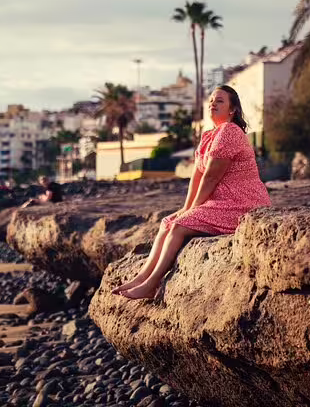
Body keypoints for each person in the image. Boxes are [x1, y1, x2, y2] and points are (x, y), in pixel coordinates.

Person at [113, 85, 271, 300]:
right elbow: (197, 177)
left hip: (243, 203)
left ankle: (151, 283)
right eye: (212, 100)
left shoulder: (230, 131)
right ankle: (141, 277)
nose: (213, 103)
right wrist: (187, 208)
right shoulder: (209, 136)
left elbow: (211, 177)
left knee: (178, 227)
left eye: (220, 101)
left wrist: (193, 210)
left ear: (233, 110)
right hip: (222, 201)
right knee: (168, 221)